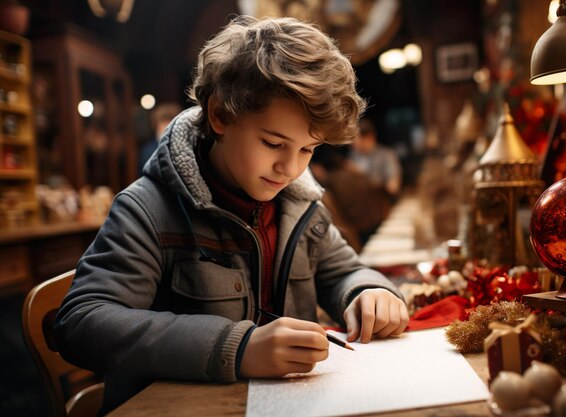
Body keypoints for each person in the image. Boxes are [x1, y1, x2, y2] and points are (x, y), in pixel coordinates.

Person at [53, 16, 409, 414]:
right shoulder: (149, 210)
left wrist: (368, 291)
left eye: (308, 149)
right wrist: (236, 347)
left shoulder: (299, 205)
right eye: (274, 143)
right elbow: (81, 322)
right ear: (220, 115)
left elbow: (345, 270)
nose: (291, 168)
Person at [349, 118, 403, 197]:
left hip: (381, 202)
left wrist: (362, 175)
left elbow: (393, 186)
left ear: (369, 137)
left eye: (356, 139)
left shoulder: (386, 155)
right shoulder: (354, 155)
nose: (352, 143)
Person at [137, 102, 182, 176]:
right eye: (164, 128)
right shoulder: (148, 151)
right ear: (155, 127)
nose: (167, 133)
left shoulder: (184, 148)